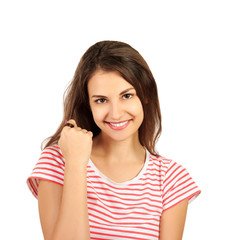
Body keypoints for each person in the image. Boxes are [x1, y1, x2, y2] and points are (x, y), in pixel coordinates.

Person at [27, 40, 201, 240]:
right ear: (88, 105)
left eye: (126, 96)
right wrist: (76, 163)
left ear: (145, 95)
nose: (116, 114)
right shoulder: (58, 161)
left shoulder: (171, 179)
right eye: (101, 100)